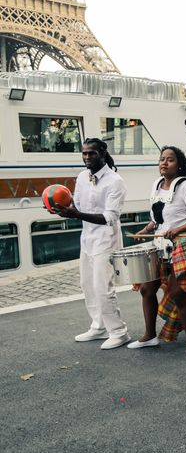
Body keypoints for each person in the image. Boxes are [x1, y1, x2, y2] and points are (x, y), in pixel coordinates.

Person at [129, 146, 186, 358]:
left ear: (179, 164)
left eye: (170, 160)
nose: (164, 163)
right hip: (160, 245)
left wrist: (178, 229)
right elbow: (158, 218)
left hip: (185, 245)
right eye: (162, 159)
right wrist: (145, 230)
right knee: (147, 289)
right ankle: (149, 336)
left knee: (178, 293)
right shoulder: (157, 185)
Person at [54, 138, 130, 349]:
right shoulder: (81, 177)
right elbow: (75, 204)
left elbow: (110, 217)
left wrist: (76, 214)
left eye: (92, 153)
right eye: (85, 153)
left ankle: (118, 331)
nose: (87, 157)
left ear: (103, 153)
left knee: (102, 287)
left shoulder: (115, 181)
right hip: (87, 239)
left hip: (106, 239)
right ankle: (99, 326)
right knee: (87, 284)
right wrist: (60, 208)